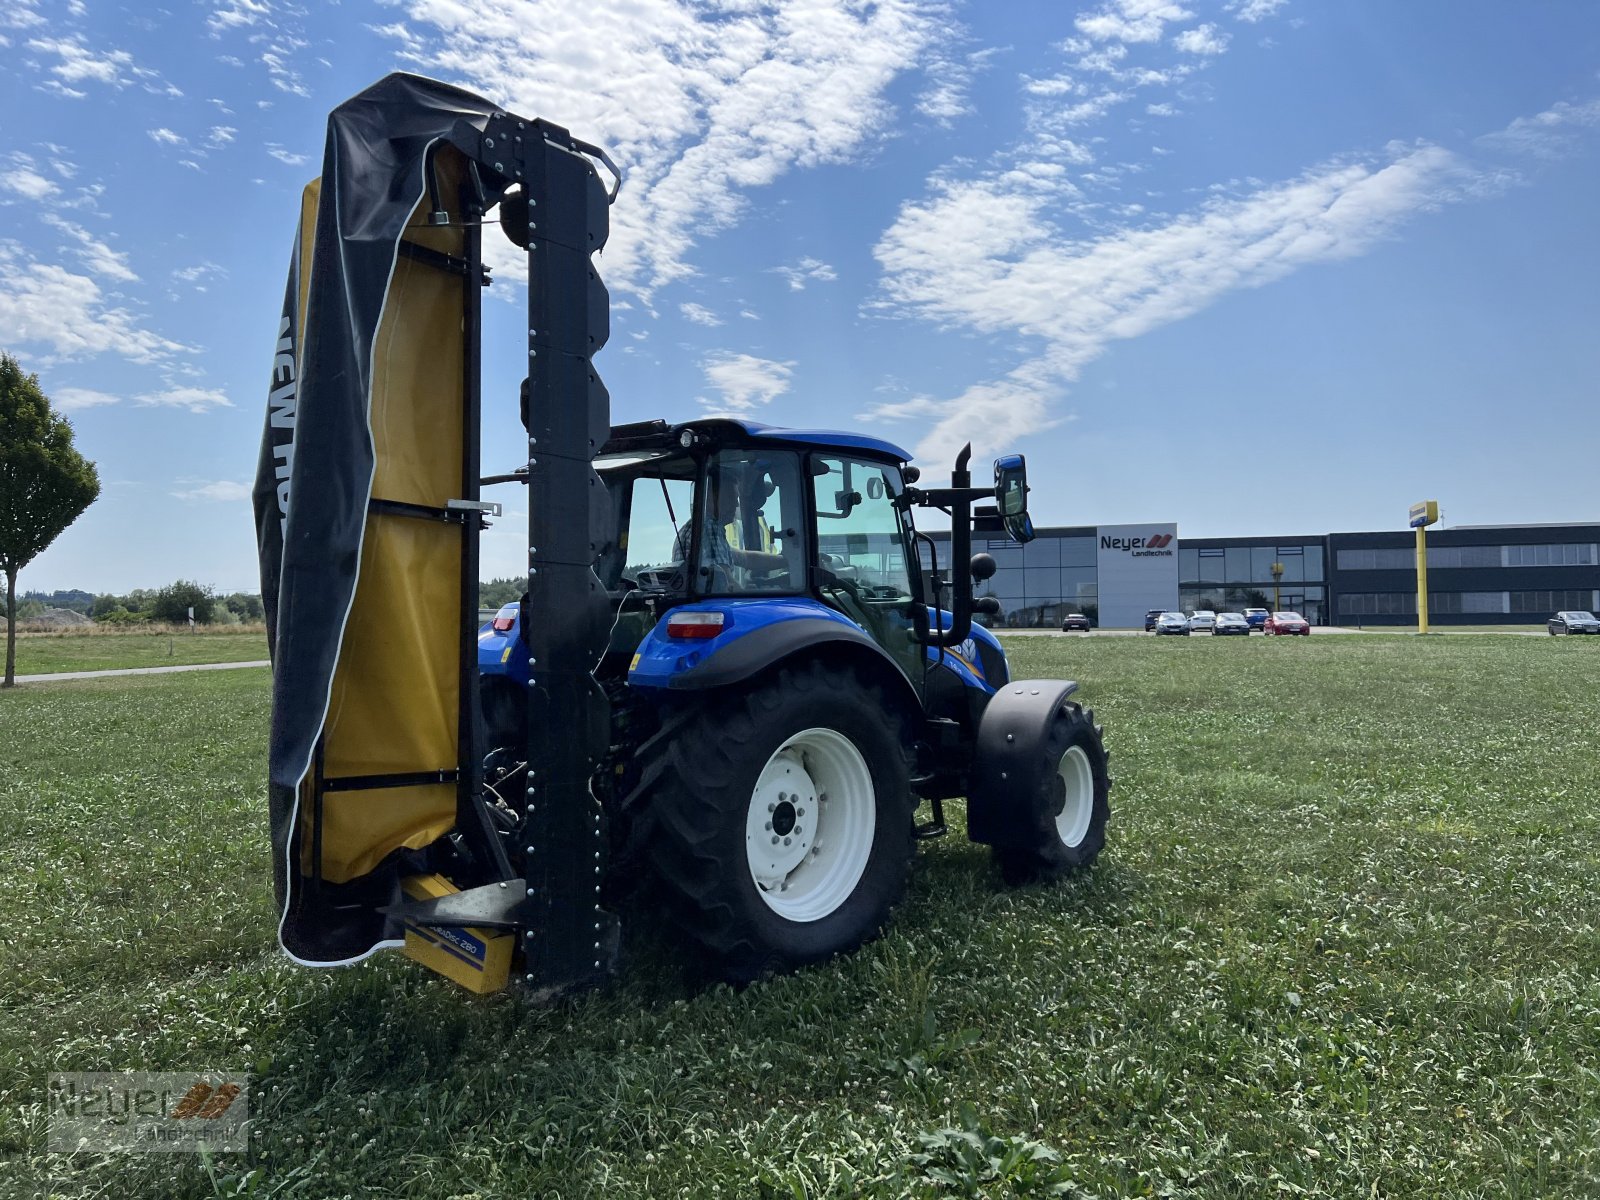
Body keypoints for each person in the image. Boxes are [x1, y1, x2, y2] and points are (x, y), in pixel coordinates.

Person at [673, 463, 787, 589]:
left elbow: (746, 558)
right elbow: (727, 585)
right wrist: (752, 596)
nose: (736, 504)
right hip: (711, 606)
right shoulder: (709, 528)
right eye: (732, 497)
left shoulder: (696, 530)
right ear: (711, 498)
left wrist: (787, 560)